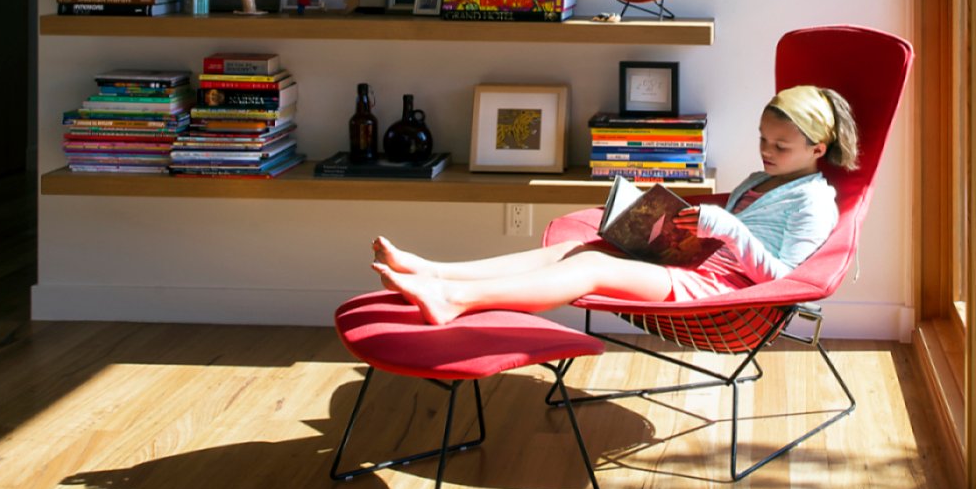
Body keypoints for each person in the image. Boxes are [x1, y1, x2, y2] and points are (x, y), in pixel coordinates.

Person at [367, 84, 860, 329]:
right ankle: (438, 273)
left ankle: (455, 301)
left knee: (592, 267)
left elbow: (781, 281)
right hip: (690, 262)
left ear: (818, 149)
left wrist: (728, 228)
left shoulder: (814, 204)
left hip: (711, 291)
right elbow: (721, 229)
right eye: (763, 140)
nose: (766, 153)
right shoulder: (760, 180)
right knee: (582, 247)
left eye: (781, 147)